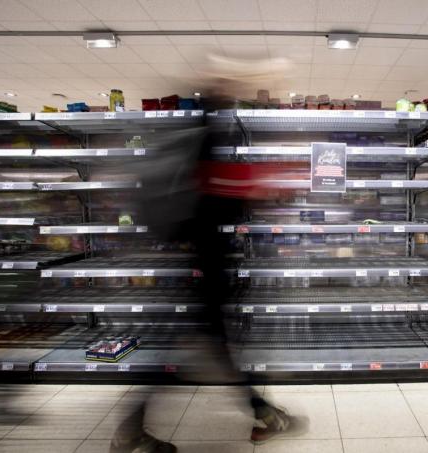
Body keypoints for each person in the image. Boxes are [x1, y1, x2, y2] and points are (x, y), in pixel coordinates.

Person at [109, 101, 302, 453]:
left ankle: (263, 414)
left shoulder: (191, 164)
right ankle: (132, 431)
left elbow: (212, 206)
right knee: (198, 355)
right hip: (206, 279)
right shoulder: (209, 165)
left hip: (193, 275)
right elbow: (225, 201)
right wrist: (263, 188)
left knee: (202, 354)